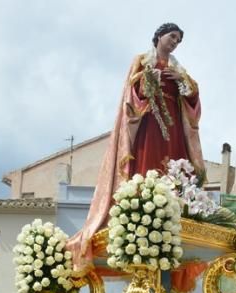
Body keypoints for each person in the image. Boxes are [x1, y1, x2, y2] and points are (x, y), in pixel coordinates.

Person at [71, 22, 203, 270]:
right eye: (172, 37)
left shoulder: (178, 68)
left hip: (173, 125)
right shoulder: (142, 60)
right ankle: (144, 199)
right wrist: (147, 81)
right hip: (149, 122)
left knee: (176, 165)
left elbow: (193, 100)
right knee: (147, 161)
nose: (175, 42)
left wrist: (183, 82)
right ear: (160, 36)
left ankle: (176, 202)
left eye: (178, 40)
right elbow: (131, 96)